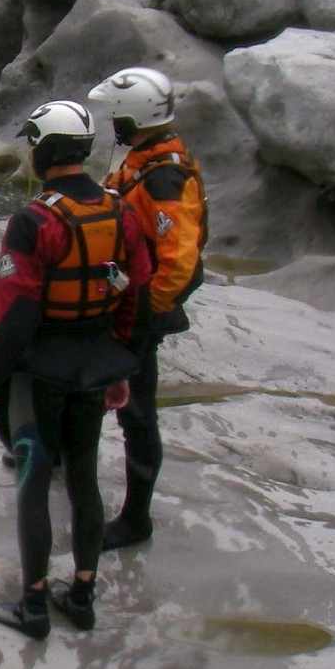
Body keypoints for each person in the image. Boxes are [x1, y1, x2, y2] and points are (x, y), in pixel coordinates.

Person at [0, 100, 152, 639]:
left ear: (44, 150)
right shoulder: (122, 212)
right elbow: (134, 300)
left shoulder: (34, 221)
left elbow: (17, 310)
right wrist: (122, 367)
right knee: (84, 477)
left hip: (39, 370)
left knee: (32, 477)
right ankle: (83, 595)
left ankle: (32, 606)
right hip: (95, 364)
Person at [88, 66, 208, 550]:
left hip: (137, 307)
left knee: (136, 412)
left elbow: (178, 258)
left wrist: (143, 310)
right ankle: (62, 458)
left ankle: (136, 519)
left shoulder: (164, 178)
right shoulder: (148, 159)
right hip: (126, 297)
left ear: (129, 120)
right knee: (105, 389)